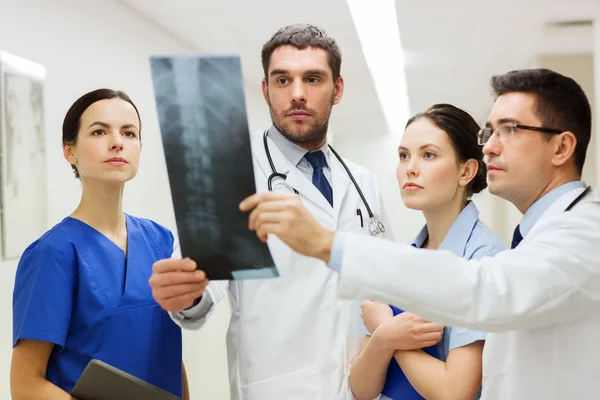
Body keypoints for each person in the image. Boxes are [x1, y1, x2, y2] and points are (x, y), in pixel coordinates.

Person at [241, 68, 600, 399]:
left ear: (562, 148)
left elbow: (485, 289)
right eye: (489, 132)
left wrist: (328, 244)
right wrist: (384, 337)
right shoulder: (535, 238)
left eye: (510, 129)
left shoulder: (584, 234)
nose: (489, 145)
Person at [148, 24, 392, 400]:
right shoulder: (232, 176)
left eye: (312, 79)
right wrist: (186, 295)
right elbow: (198, 299)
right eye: (282, 80)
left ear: (337, 89)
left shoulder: (363, 182)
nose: (297, 94)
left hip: (363, 387)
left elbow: (383, 285)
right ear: (266, 90)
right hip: (279, 387)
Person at [11, 89, 189, 399]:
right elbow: (26, 384)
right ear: (70, 151)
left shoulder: (162, 241)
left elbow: (170, 357)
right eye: (99, 131)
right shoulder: (53, 253)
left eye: (129, 132)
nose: (117, 141)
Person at [350, 104, 505, 400]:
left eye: (429, 155)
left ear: (466, 171)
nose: (410, 167)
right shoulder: (400, 260)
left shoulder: (483, 260)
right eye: (404, 155)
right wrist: (384, 339)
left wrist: (385, 333)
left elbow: (455, 391)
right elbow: (361, 389)